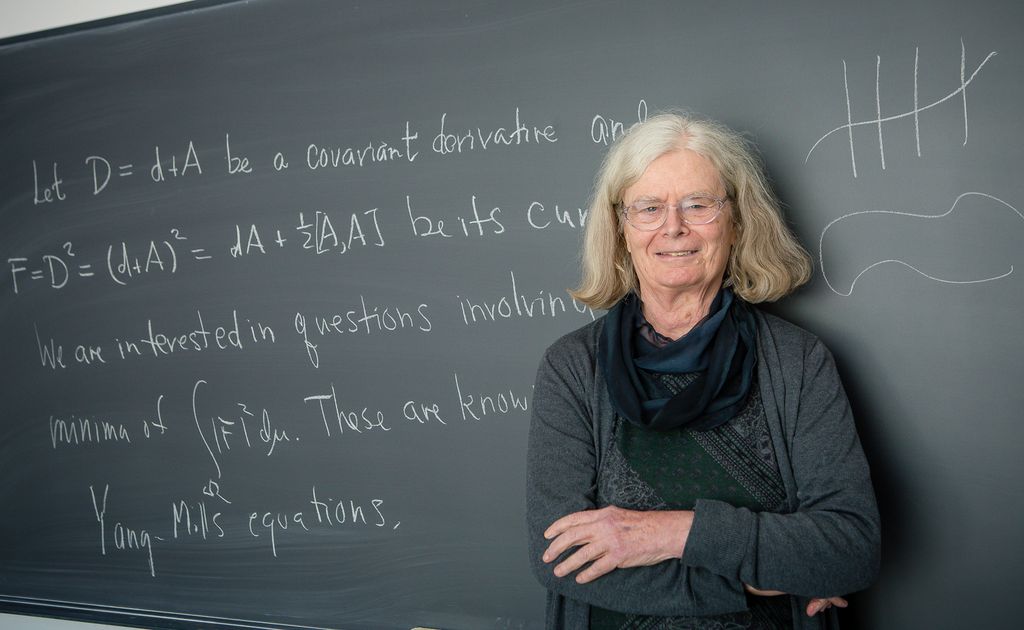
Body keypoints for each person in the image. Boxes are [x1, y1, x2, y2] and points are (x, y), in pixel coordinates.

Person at [526, 112, 880, 629]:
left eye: (698, 204)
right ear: (621, 230)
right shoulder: (573, 368)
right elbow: (562, 558)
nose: (674, 227)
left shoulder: (798, 361)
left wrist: (672, 534)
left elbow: (849, 550)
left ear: (736, 222)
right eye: (648, 208)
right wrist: (750, 580)